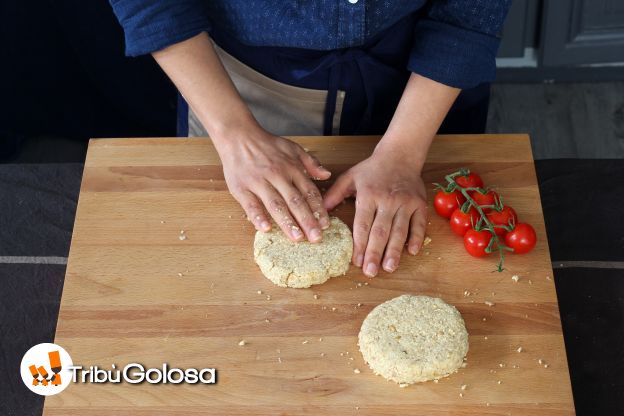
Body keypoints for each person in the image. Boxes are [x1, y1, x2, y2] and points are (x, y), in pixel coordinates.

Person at [110, 1, 511, 277]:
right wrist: (234, 133)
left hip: (430, 76)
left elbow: (472, 8)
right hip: (244, 87)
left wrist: (405, 151)